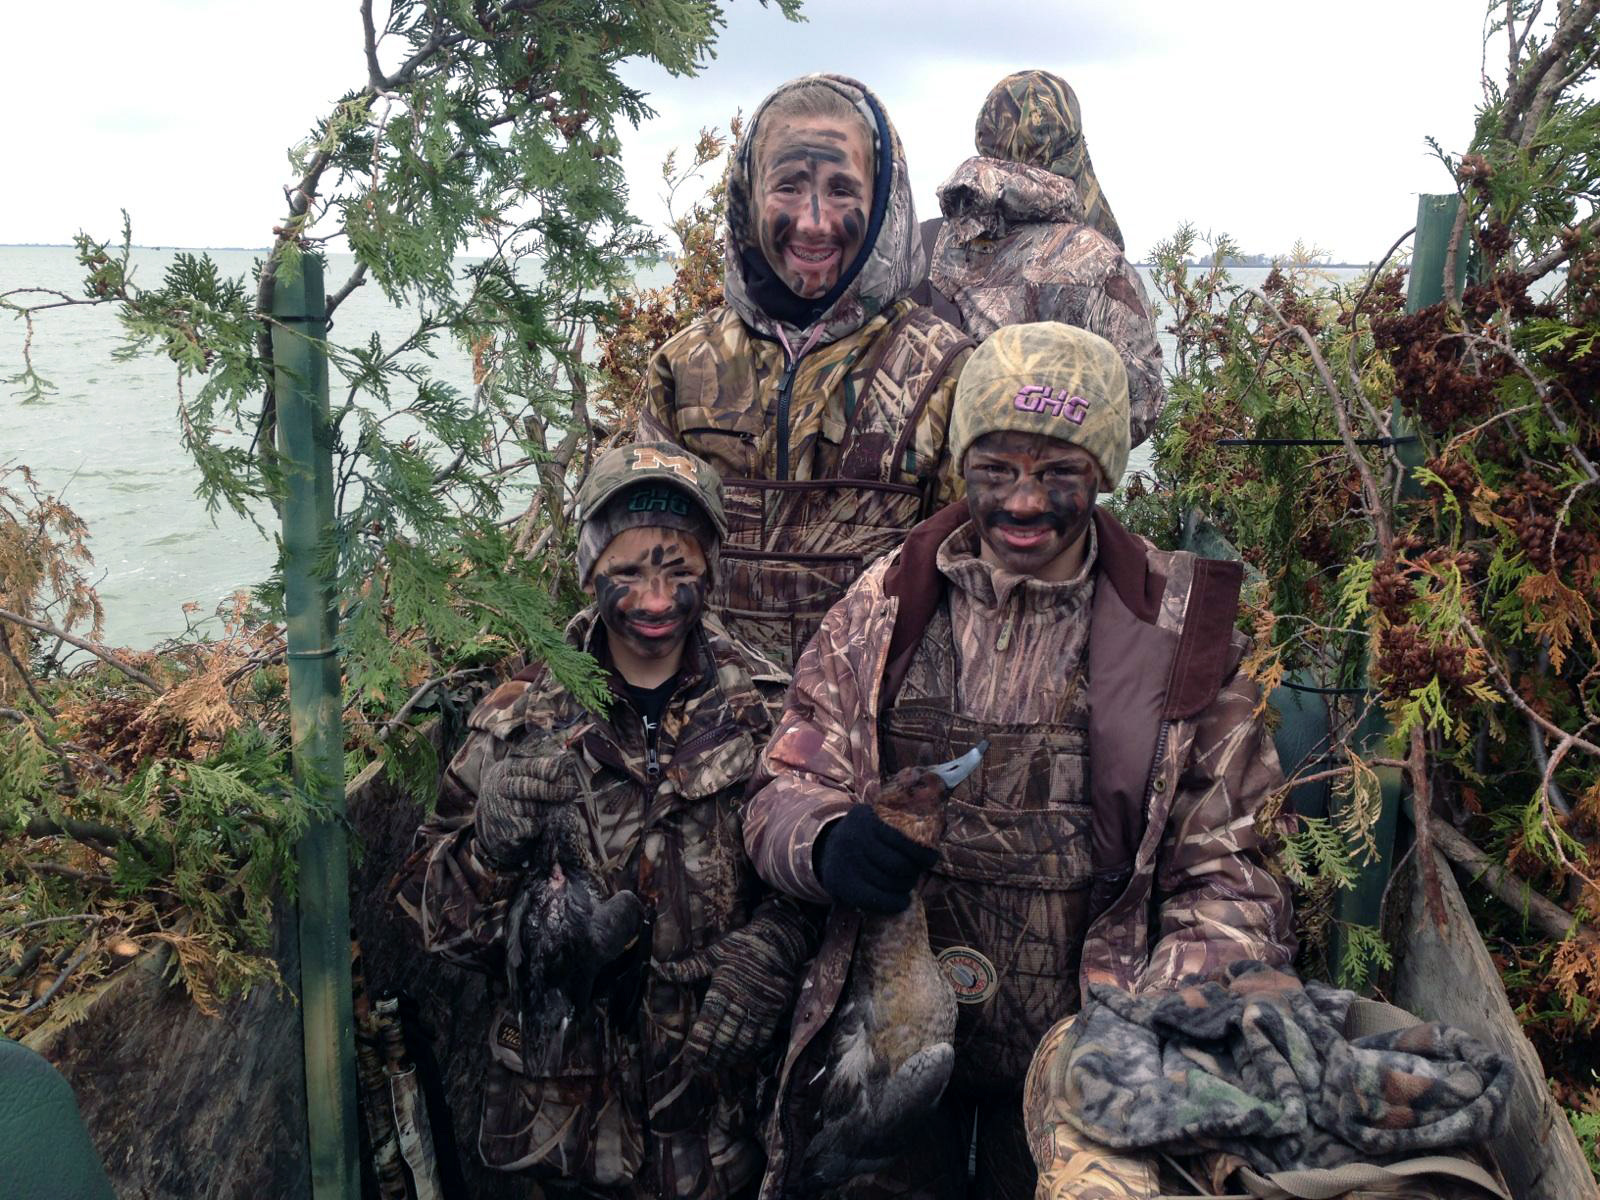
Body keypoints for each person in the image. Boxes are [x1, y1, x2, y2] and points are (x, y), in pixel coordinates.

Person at [741, 323, 1294, 1199]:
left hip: (1079, 1071)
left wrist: (1144, 1036)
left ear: (1103, 472)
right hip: (886, 1053)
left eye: (1059, 471)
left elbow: (1230, 877)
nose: (1025, 502)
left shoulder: (1180, 636)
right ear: (962, 465)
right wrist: (825, 840)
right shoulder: (886, 603)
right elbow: (788, 780)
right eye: (996, 469)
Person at [393, 443, 811, 1199]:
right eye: (627, 572)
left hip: (725, 1132)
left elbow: (817, 882)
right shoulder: (516, 719)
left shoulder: (769, 711)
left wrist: (779, 943)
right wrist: (489, 850)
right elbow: (433, 928)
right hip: (569, 1140)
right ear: (589, 570)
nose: (655, 600)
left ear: (712, 571)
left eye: (680, 571)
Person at [637, 73, 975, 671]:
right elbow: (643, 569)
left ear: (882, 203)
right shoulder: (682, 366)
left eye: (842, 189)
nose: (815, 221)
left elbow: (969, 594)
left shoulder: (947, 373)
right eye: (788, 186)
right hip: (710, 717)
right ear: (749, 197)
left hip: (877, 718)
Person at [915, 70, 1166, 449]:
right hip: (1047, 480)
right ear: (1071, 150)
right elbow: (1139, 409)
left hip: (923, 482)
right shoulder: (1098, 262)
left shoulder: (920, 244)